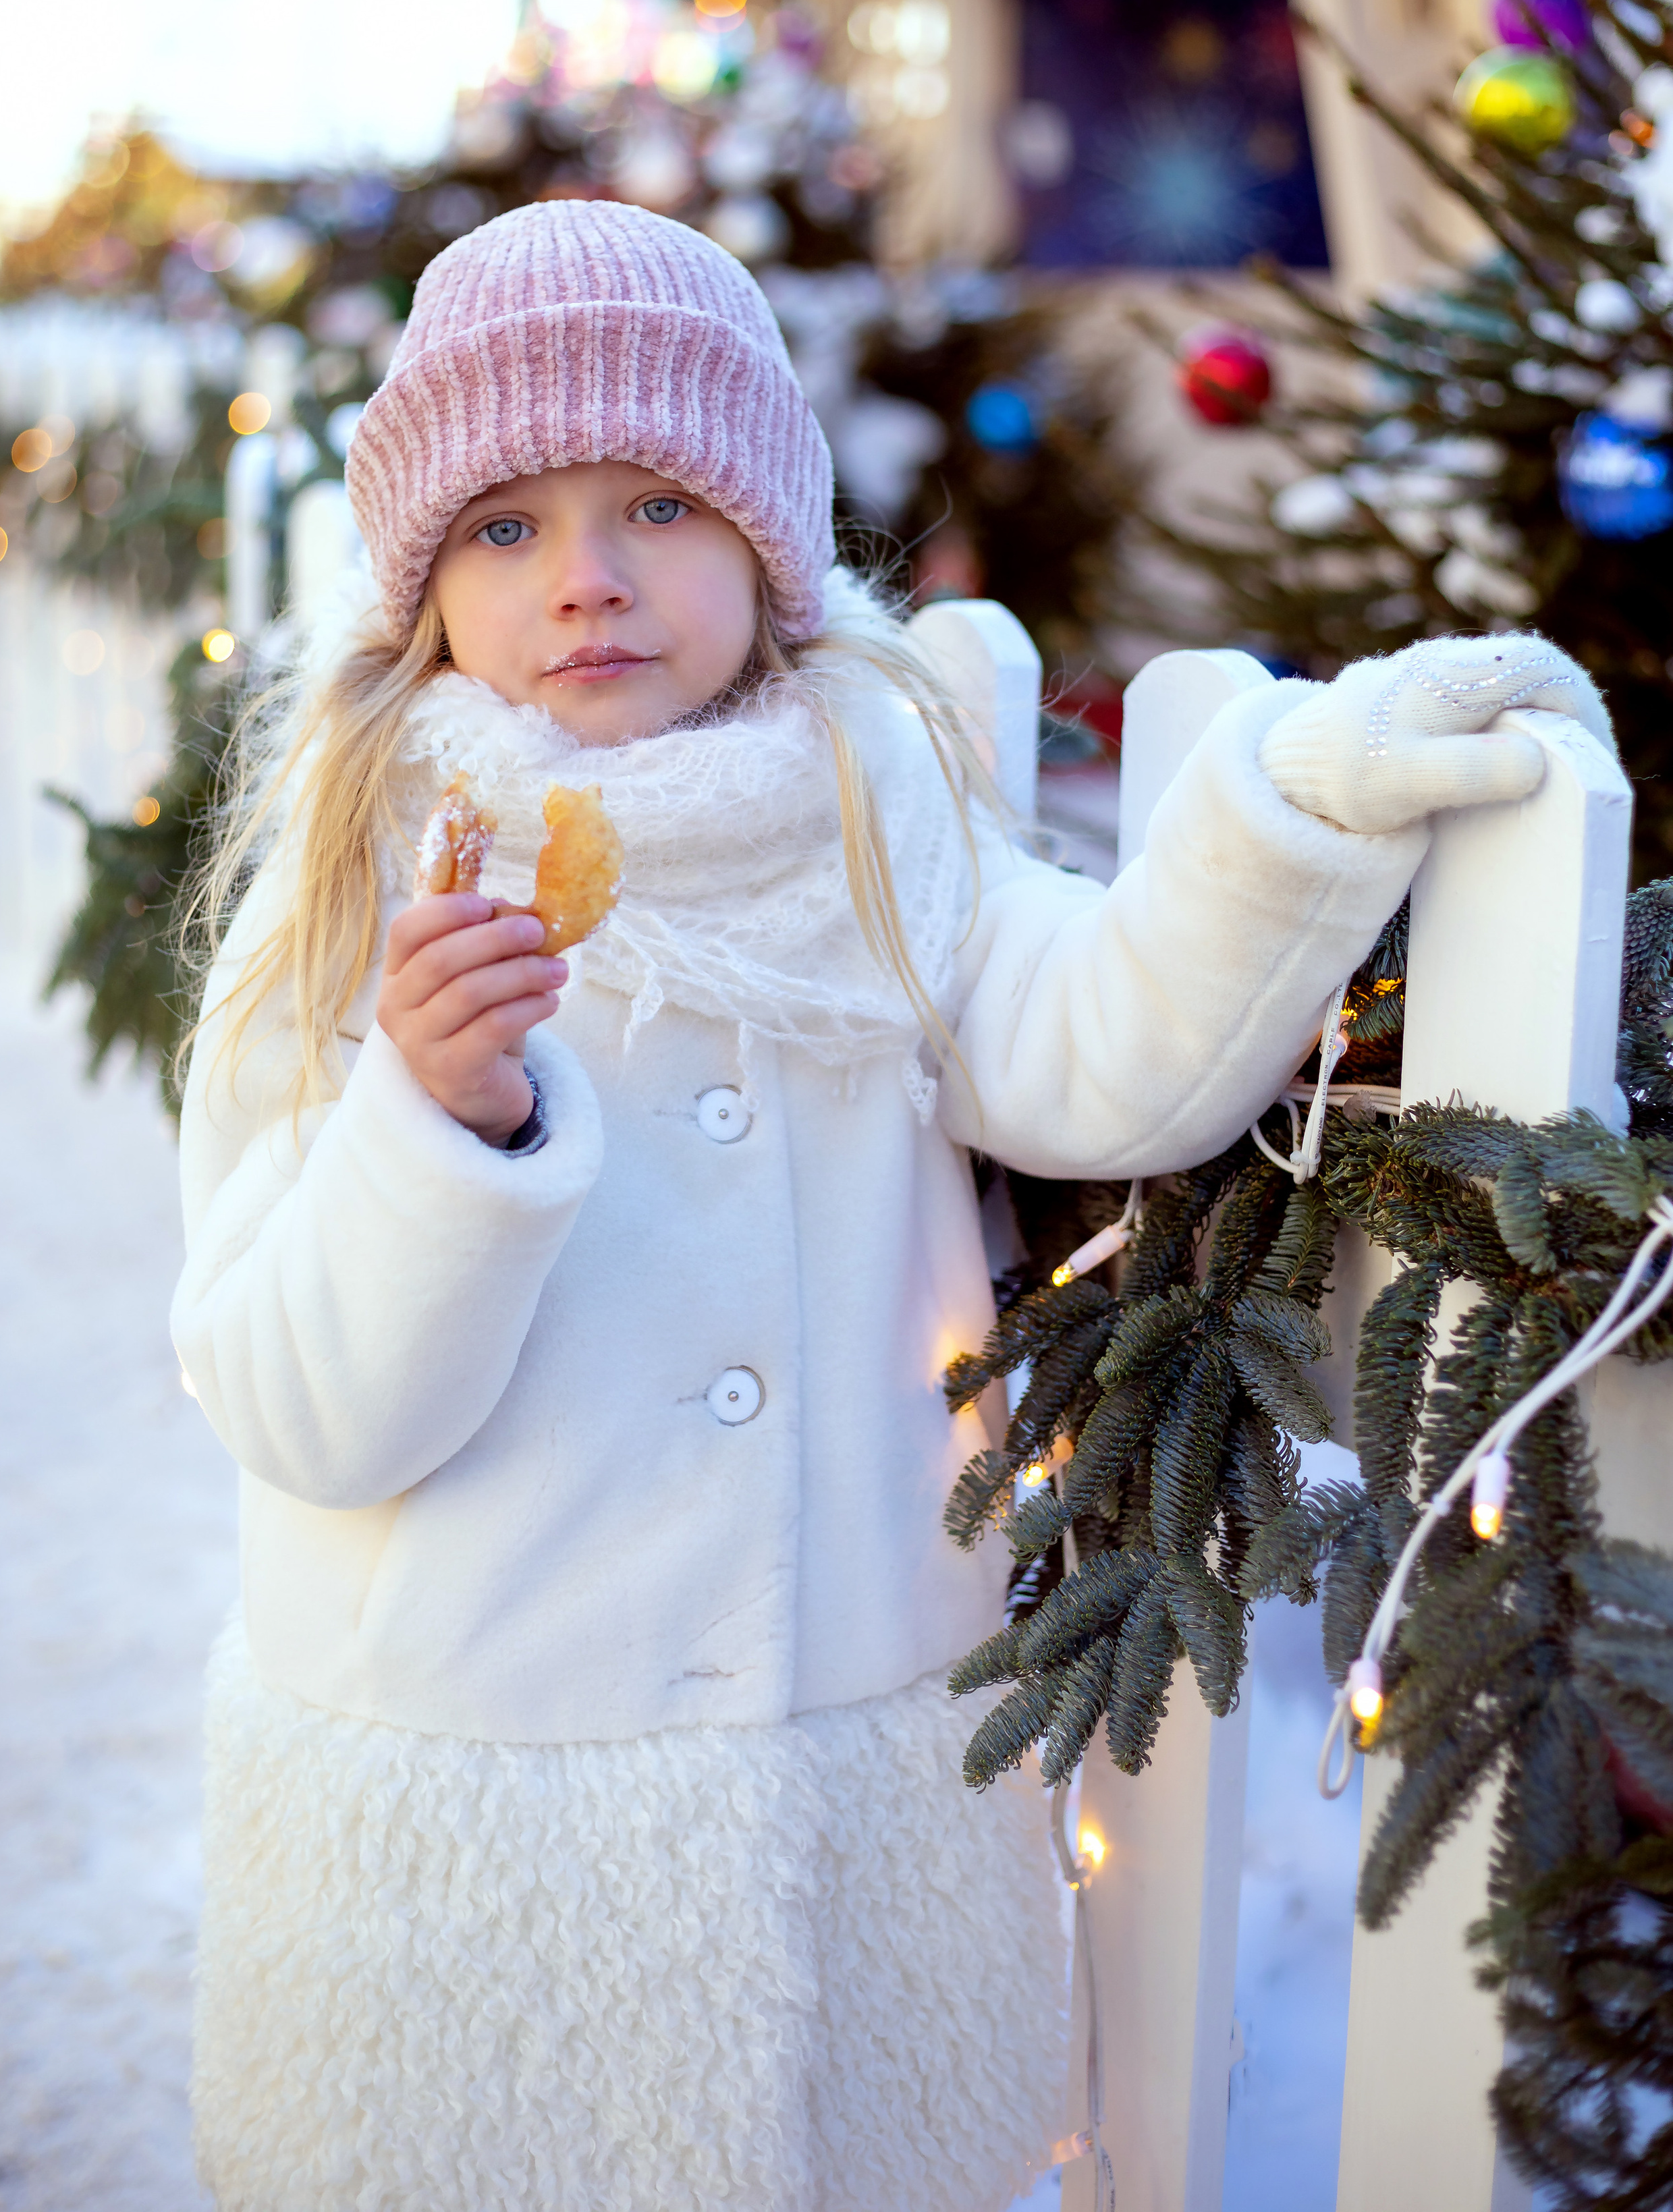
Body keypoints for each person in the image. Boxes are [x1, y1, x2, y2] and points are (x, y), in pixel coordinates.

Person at [173, 200, 1611, 2212]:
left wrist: (1303, 802)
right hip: (480, 1845)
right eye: (505, 527)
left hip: (851, 1827)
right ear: (423, 577)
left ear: (761, 532)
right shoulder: (353, 900)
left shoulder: (879, 815)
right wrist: (437, 1121)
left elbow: (1109, 1053)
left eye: (657, 501)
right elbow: (296, 1409)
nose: (585, 580)